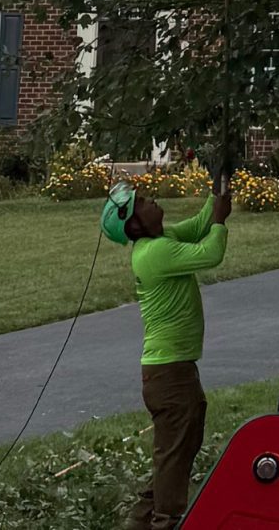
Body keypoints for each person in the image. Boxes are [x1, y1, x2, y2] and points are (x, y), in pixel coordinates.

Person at [102, 181, 233, 530]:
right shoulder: (155, 253)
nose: (150, 199)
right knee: (176, 452)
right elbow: (210, 252)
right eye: (141, 202)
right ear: (134, 225)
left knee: (177, 451)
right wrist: (220, 221)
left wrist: (215, 194)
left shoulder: (161, 240)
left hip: (172, 369)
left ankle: (141, 520)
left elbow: (197, 226)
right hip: (169, 371)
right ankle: (167, 521)